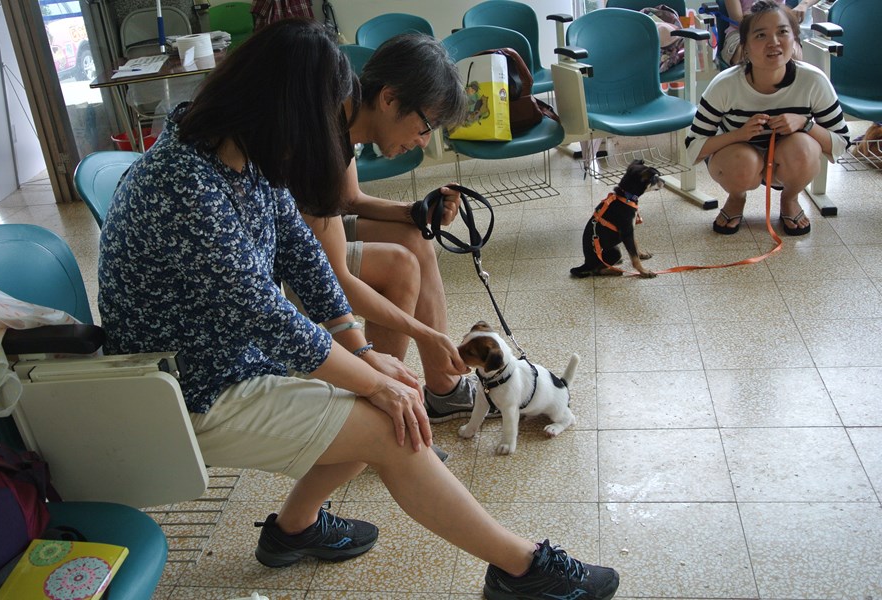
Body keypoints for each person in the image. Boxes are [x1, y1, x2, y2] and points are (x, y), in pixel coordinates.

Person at [97, 19, 619, 600]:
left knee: (389, 393)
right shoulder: (187, 187)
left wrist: (369, 356)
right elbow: (270, 316)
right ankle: (523, 570)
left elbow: (305, 260)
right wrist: (374, 379)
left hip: (227, 360)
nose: (331, 134)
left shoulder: (236, 155)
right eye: (326, 115)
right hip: (190, 388)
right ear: (286, 108)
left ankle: (293, 531)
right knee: (392, 423)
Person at [302, 33, 486, 424]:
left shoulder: (344, 115)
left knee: (412, 235)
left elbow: (350, 198)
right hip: (286, 254)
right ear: (389, 98)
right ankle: (383, 407)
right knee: (399, 264)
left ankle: (444, 388)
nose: (422, 142)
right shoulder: (320, 137)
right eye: (425, 126)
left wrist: (418, 212)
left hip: (313, 228)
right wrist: (423, 334)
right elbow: (329, 275)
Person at [686, 0, 849, 236]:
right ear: (745, 47)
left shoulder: (814, 81)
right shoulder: (725, 85)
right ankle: (735, 198)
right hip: (738, 159)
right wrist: (738, 135)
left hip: (788, 158)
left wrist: (805, 124)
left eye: (783, 32)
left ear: (795, 39)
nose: (774, 42)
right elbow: (693, 148)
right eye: (761, 35)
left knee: (804, 146)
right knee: (744, 160)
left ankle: (790, 199)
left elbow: (841, 142)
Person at [719, 0, 818, 65]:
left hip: (779, 30)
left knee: (794, 57)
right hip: (741, 32)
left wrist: (804, 4)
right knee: (748, 57)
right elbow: (737, 19)